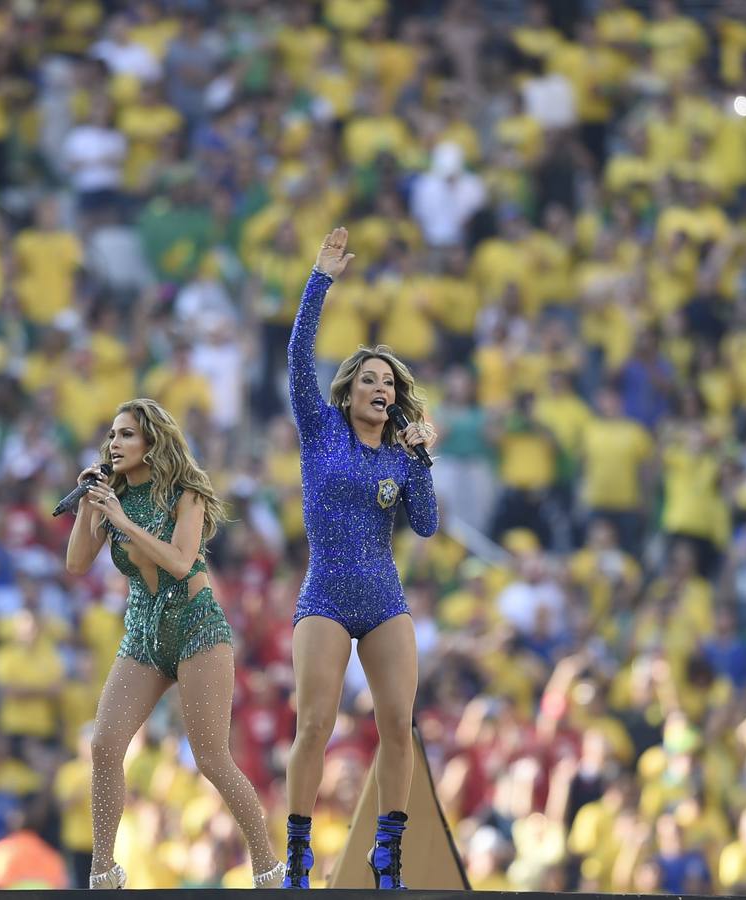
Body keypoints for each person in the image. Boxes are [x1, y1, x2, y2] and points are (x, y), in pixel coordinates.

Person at [64, 398, 284, 889]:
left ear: (152, 442)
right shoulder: (110, 496)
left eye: (126, 435)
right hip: (144, 632)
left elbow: (182, 563)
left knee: (210, 758)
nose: (114, 444)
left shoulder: (186, 494)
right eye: (112, 435)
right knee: (103, 744)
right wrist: (87, 507)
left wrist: (120, 520)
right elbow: (77, 565)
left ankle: (269, 866)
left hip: (195, 627)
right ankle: (103, 870)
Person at [282, 228, 439, 889]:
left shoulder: (402, 459)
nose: (379, 387)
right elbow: (297, 359)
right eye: (368, 379)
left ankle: (387, 855)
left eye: (388, 383)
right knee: (315, 722)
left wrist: (423, 461)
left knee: (398, 724)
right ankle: (297, 857)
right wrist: (320, 280)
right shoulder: (320, 430)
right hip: (323, 597)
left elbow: (426, 526)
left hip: (383, 600)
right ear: (349, 393)